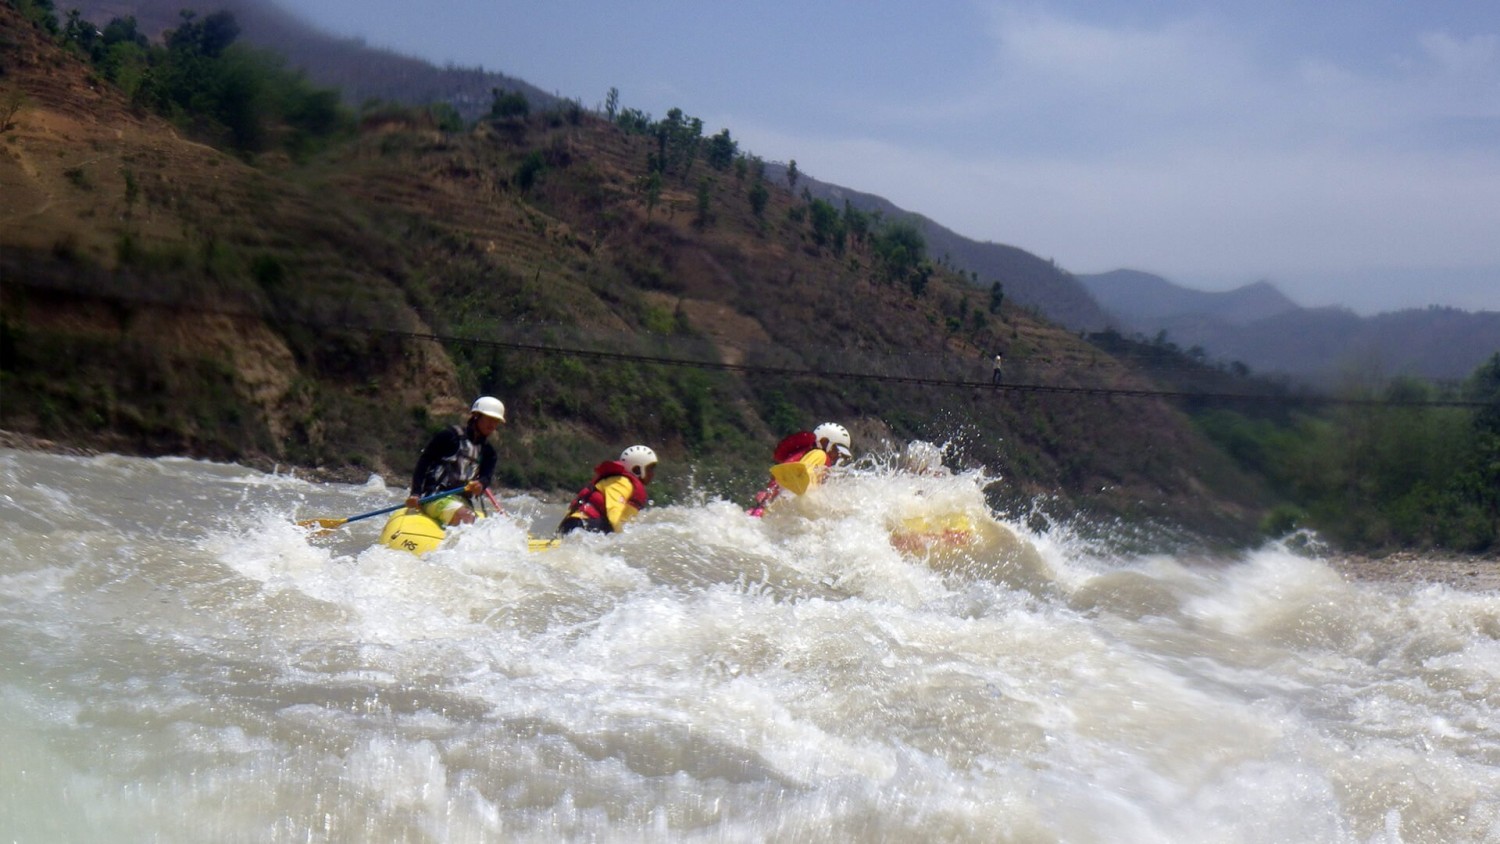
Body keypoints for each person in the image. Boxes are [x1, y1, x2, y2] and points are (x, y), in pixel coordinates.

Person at [404, 396, 505, 526]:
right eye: (489, 419)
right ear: (476, 416)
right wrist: (416, 493)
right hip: (435, 497)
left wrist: (480, 484)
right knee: (467, 518)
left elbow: (486, 478)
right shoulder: (449, 436)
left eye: (496, 421)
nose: (492, 425)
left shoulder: (489, 453)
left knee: (478, 523)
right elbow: (424, 462)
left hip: (463, 501)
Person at [748, 422, 853, 516]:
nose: (837, 456)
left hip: (763, 509)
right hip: (769, 510)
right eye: (836, 450)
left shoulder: (807, 454)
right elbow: (805, 476)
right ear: (824, 442)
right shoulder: (820, 454)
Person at [557, 445, 658, 535]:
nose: (653, 474)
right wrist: (620, 538)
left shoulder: (615, 480)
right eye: (650, 469)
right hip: (584, 525)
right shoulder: (622, 482)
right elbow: (613, 511)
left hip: (574, 524)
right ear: (637, 470)